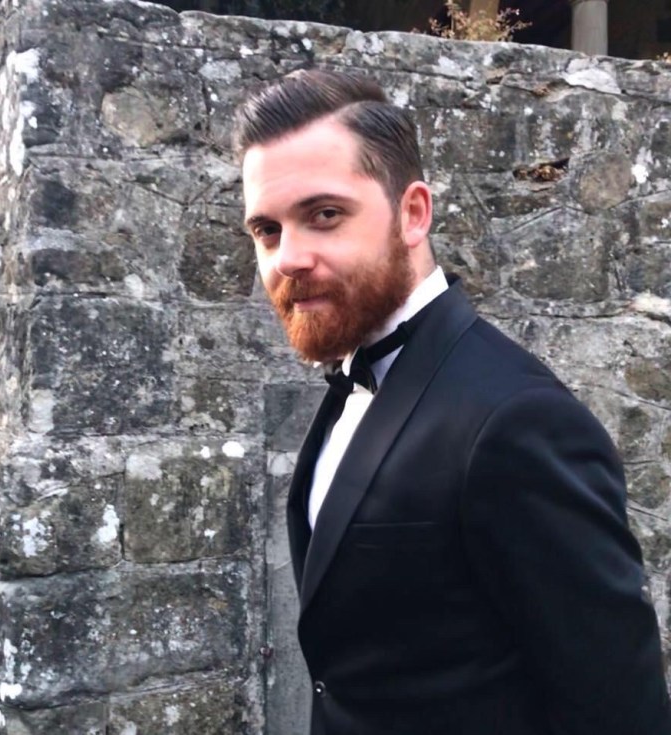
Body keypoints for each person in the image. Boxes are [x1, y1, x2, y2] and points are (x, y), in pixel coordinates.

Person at [233, 68, 671, 735]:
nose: (289, 257)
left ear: (413, 213)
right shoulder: (354, 373)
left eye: (324, 215)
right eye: (267, 230)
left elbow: (618, 709)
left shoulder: (520, 419)